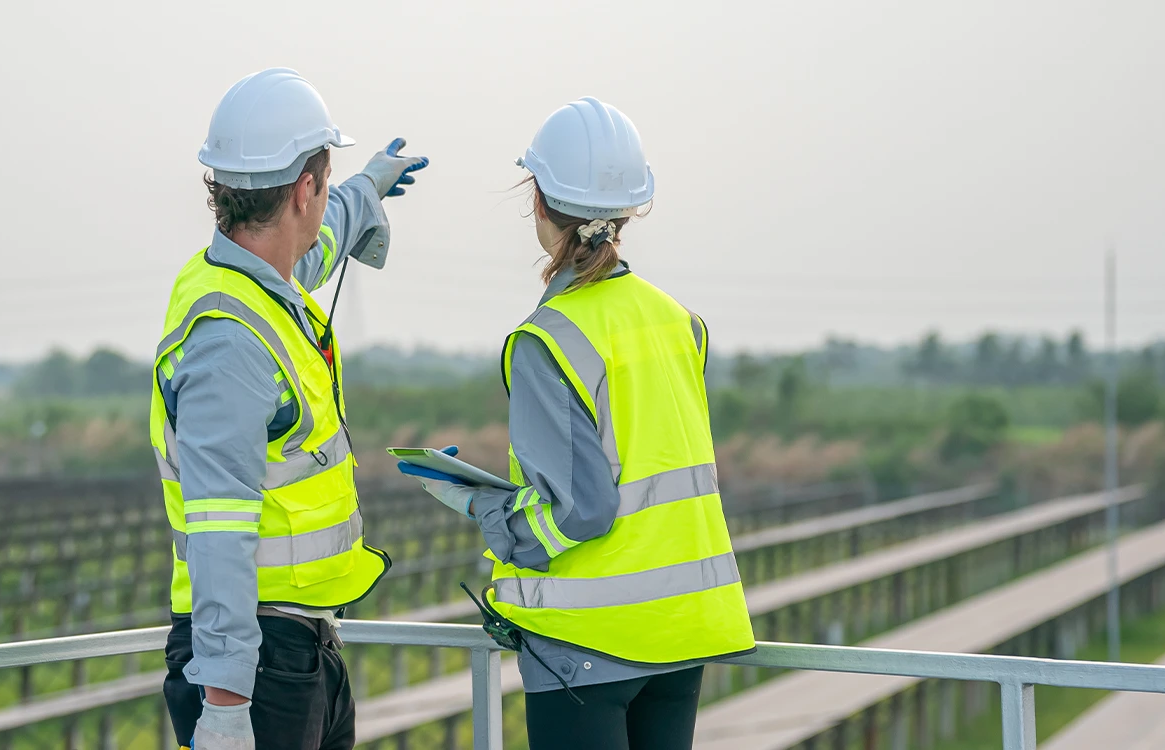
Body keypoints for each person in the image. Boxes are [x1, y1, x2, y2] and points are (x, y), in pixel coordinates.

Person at [397, 97, 755, 750]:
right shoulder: (680, 321)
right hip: (683, 635)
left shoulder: (548, 338)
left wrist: (484, 509)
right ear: (629, 211)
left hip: (584, 643)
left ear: (537, 200)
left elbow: (582, 510)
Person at [153, 67, 428, 750]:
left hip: (295, 648)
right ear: (305, 186)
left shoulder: (254, 279)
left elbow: (321, 239)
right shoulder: (230, 341)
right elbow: (220, 527)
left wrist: (366, 189)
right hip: (255, 667)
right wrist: (223, 703)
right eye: (325, 181)